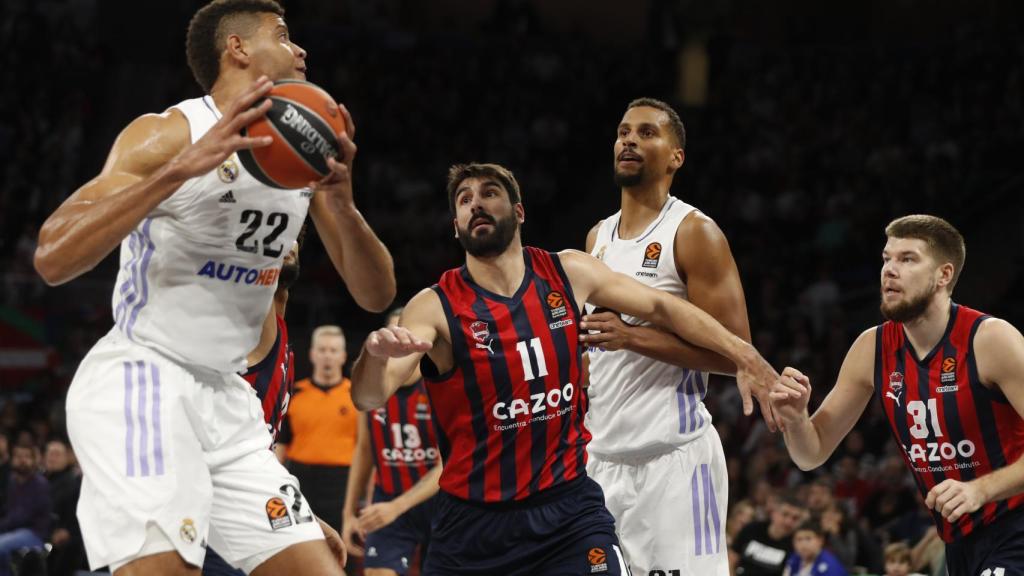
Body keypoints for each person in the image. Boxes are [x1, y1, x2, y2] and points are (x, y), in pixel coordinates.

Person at [32, 0, 396, 573]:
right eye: (283, 34)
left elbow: (375, 296)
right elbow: (53, 257)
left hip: (228, 401)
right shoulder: (171, 133)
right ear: (239, 49)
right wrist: (180, 170)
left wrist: (343, 205)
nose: (301, 49)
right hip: (143, 378)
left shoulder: (302, 157)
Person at [350, 163, 782, 575]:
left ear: (519, 212)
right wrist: (373, 355)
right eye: (464, 200)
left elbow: (662, 305)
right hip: (474, 525)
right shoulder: (435, 305)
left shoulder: (568, 271)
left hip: (567, 510)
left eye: (489, 193)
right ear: (455, 226)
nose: (475, 204)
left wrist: (743, 354)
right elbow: (369, 396)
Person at [770, 215, 1024, 576]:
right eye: (887, 258)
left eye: (907, 259)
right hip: (959, 540)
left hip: (1015, 524)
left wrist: (981, 490)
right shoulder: (871, 347)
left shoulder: (990, 339)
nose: (889, 270)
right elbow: (811, 454)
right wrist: (796, 418)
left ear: (944, 275)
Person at [582, 97, 757, 576]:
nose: (629, 140)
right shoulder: (597, 238)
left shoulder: (694, 232)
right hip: (599, 461)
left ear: (675, 156)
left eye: (646, 132)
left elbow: (736, 355)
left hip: (674, 463)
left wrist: (633, 337)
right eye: (622, 132)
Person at [342, 308, 442, 576]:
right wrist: (349, 513)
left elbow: (450, 464)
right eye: (391, 337)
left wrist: (396, 508)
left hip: (440, 503)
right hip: (387, 497)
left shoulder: (441, 385)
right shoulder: (370, 389)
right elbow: (364, 450)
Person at [277, 325, 360, 534]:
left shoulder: (357, 397)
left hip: (343, 483)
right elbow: (281, 444)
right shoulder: (294, 393)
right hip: (300, 481)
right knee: (299, 540)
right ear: (313, 354)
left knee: (341, 548)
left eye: (333, 351)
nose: (327, 356)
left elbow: (366, 449)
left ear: (343, 356)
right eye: (322, 350)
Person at [0, 440, 51, 576]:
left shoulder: (40, 484)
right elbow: (7, 509)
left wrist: (3, 525)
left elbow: (23, 516)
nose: (22, 460)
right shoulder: (12, 481)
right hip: (12, 531)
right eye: (18, 456)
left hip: (33, 533)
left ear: (35, 460)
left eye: (27, 457)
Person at [730, 493, 806, 576]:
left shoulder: (796, 544)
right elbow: (731, 560)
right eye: (785, 514)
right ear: (774, 513)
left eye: (795, 518)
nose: (788, 522)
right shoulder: (752, 529)